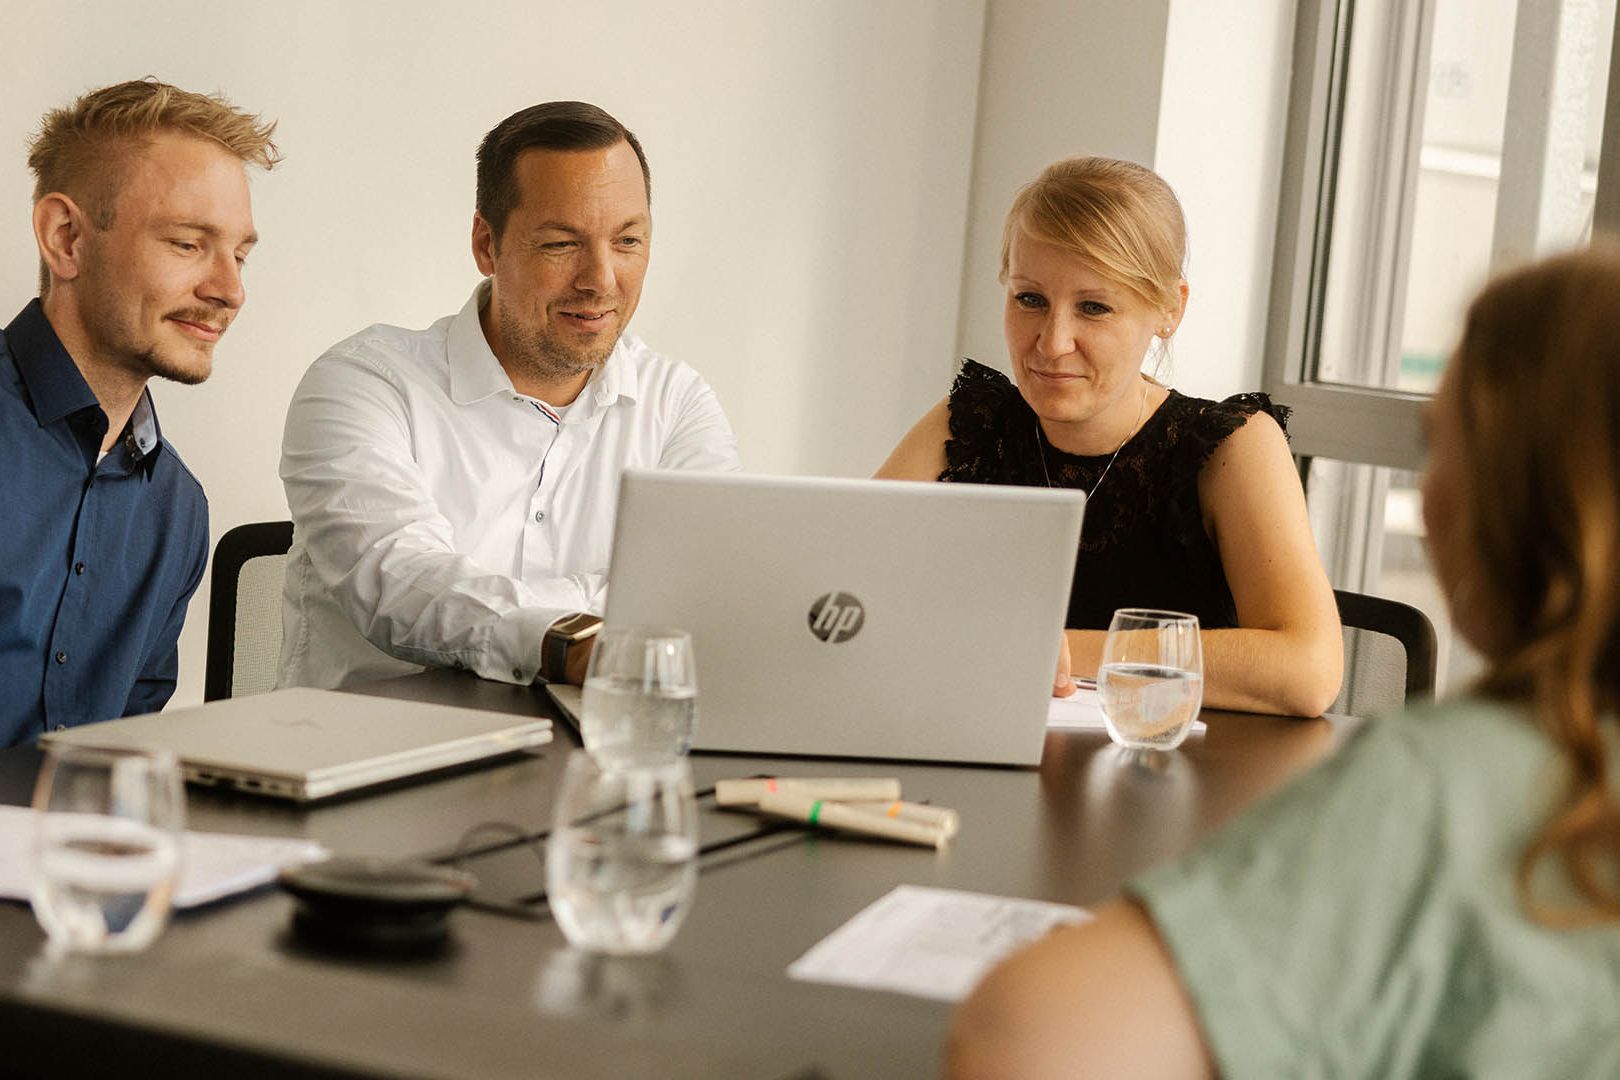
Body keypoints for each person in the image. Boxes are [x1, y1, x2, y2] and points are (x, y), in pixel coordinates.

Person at [946, 244, 1620, 1077]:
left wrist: (1027, 642)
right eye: (1028, 298)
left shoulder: (1445, 786)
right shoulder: (979, 416)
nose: (1053, 341)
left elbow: (1021, 1040)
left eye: (1438, 446)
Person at [278, 101, 740, 691]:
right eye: (560, 244)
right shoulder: (364, 385)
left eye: (627, 241)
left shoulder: (676, 403)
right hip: (373, 760)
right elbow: (404, 584)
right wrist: (586, 630)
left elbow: (710, 594)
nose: (600, 279)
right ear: (486, 244)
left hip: (591, 752)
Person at [877, 157, 1341, 717]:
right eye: (1030, 299)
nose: (1052, 343)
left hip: (1172, 786)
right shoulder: (968, 423)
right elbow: (836, 594)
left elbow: (1308, 671)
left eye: (1093, 308)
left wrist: (1053, 651)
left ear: (1170, 309)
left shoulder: (1231, 446)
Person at [0, 79, 278, 748]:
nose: (229, 290)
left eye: (239, 254)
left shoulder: (177, 508)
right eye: (188, 244)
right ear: (65, 237)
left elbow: (123, 754)